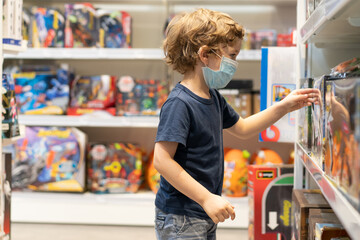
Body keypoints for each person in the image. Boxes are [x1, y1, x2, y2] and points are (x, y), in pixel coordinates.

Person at [153, 8, 319, 240]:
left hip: (202, 210)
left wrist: (284, 106)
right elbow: (161, 160)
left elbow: (243, 128)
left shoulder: (213, 97)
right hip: (182, 215)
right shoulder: (180, 103)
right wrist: (206, 198)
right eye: (232, 55)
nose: (234, 63)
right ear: (204, 55)